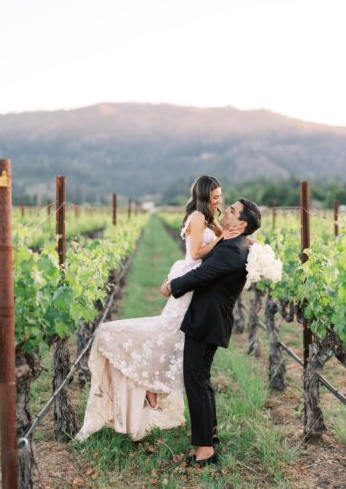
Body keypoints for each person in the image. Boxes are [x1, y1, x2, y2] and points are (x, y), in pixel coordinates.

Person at [75, 175, 240, 442]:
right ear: (204, 194)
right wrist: (222, 241)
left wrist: (242, 241)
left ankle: (151, 389)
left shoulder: (211, 218)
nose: (220, 199)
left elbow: (227, 239)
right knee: (170, 334)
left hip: (201, 282)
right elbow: (197, 253)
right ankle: (149, 387)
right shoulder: (198, 217)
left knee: (175, 337)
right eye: (215, 195)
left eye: (221, 195)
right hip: (192, 278)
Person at [161, 198, 261, 467]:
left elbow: (203, 275)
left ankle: (205, 450)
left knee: (196, 380)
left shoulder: (232, 250)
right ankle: (208, 442)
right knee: (200, 380)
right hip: (210, 319)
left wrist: (173, 285)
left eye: (232, 210)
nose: (226, 209)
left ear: (241, 223)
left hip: (207, 320)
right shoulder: (237, 244)